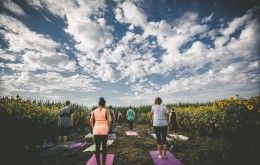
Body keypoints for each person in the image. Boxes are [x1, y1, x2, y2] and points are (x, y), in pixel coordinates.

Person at [90, 98, 112, 165]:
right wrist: (109, 128)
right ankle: (104, 162)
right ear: (104, 104)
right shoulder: (106, 110)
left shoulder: (94, 111)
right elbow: (110, 120)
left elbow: (90, 120)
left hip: (96, 129)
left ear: (98, 104)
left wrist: (93, 128)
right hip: (104, 129)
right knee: (104, 147)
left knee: (97, 147)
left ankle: (98, 163)